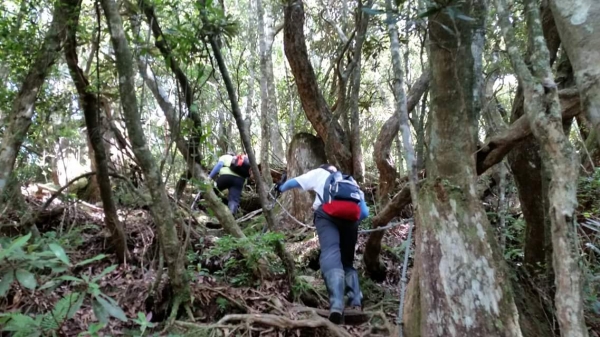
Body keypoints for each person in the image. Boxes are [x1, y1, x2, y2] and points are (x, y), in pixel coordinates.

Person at [276, 163, 369, 324]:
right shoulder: (350, 181)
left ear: (325, 168)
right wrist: (350, 221)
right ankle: (355, 302)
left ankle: (337, 304)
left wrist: (280, 188)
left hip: (327, 216)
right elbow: (365, 212)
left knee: (330, 252)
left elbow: (294, 182)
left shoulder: (320, 173)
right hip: (351, 221)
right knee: (347, 261)